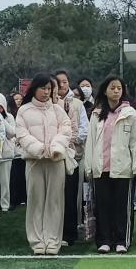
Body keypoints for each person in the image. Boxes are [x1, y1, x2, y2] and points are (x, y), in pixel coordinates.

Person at [82, 76, 136, 253]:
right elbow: (90, 142)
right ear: (105, 90)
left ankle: (121, 240)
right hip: (101, 167)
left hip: (123, 168)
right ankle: (104, 240)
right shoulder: (96, 114)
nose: (116, 91)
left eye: (119, 88)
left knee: (121, 206)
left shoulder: (130, 113)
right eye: (112, 88)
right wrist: (89, 166)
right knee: (102, 206)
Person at [15, 73, 72, 255]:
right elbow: (22, 134)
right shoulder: (24, 111)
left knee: (55, 202)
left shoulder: (58, 110)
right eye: (43, 88)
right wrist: (38, 149)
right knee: (35, 201)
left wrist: (56, 147)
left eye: (49, 89)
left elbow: (66, 130)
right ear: (34, 89)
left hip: (56, 160)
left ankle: (53, 241)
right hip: (34, 161)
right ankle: (37, 241)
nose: (46, 92)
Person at [55, 70, 88, 248]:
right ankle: (54, 231)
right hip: (52, 157)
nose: (62, 85)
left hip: (71, 155)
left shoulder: (77, 104)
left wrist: (66, 141)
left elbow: (83, 130)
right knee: (54, 196)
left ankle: (69, 232)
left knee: (69, 195)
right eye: (58, 82)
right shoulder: (50, 103)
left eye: (65, 81)